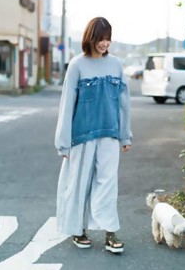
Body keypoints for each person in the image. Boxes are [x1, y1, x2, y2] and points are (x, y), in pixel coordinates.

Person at [55, 17, 132, 253]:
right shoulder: (77, 65)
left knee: (108, 184)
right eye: (100, 38)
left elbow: (124, 104)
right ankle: (78, 230)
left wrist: (125, 135)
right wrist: (63, 143)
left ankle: (110, 233)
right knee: (79, 184)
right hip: (82, 136)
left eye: (108, 38)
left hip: (109, 133)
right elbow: (67, 104)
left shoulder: (116, 65)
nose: (104, 43)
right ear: (90, 38)